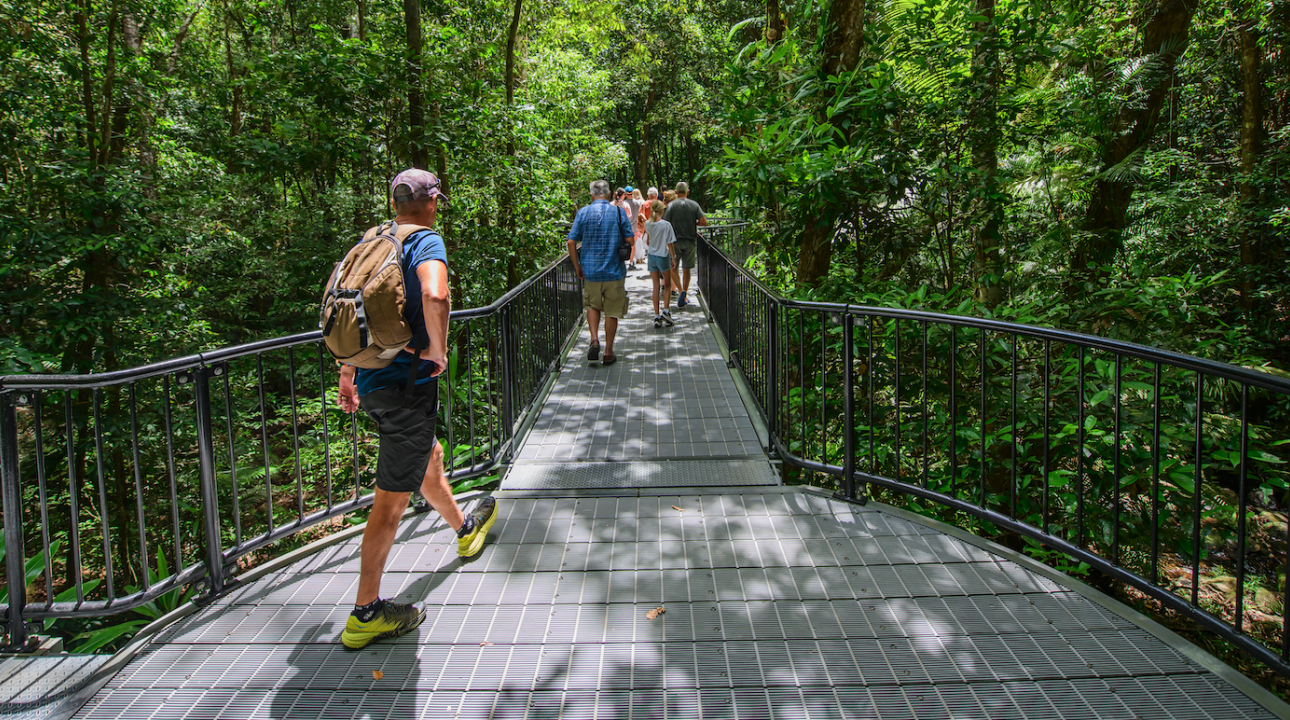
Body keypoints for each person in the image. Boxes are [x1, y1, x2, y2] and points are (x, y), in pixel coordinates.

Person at [336, 169, 498, 650]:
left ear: (394, 202)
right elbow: (435, 293)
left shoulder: (371, 240)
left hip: (373, 377)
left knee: (428, 456)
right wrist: (438, 351)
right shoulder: (425, 241)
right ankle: (366, 612)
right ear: (431, 202)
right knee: (390, 502)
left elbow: (352, 308)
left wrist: (347, 372)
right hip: (406, 387)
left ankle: (465, 529)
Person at [568, 180, 635, 366]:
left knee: (592, 305)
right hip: (614, 271)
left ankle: (594, 339)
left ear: (591, 195)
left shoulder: (583, 213)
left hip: (590, 271)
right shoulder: (618, 212)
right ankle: (608, 352)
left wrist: (577, 266)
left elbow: (571, 242)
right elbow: (630, 240)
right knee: (612, 311)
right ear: (609, 194)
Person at [662, 181, 707, 308]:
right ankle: (685, 295)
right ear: (687, 191)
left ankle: (681, 290)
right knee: (686, 269)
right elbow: (704, 222)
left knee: (673, 268)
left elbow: (665, 223)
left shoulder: (671, 205)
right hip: (690, 241)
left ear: (676, 192)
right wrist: (695, 222)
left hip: (674, 241)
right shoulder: (694, 205)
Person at [643, 199, 677, 328]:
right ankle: (666, 311)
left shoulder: (647, 224)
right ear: (661, 210)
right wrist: (673, 257)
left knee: (655, 287)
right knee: (667, 285)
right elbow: (670, 243)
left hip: (652, 257)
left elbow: (648, 241)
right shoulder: (666, 225)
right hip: (663, 256)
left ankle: (656, 316)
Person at [628, 188, 647, 266]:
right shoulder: (642, 202)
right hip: (639, 223)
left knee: (635, 242)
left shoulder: (629, 202)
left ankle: (635, 257)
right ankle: (641, 257)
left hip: (631, 224)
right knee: (640, 240)